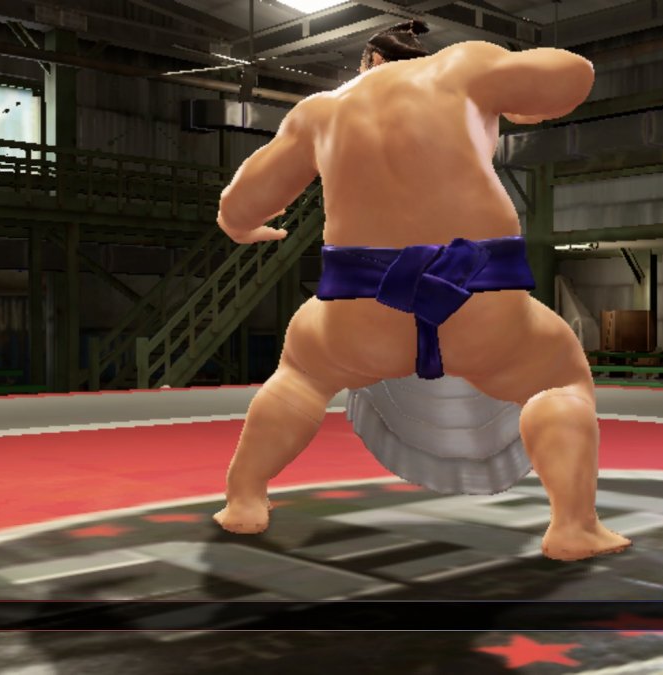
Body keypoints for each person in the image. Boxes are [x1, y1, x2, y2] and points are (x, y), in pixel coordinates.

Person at [215, 20, 630, 560]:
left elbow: (240, 205)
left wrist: (244, 228)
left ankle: (244, 497)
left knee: (301, 376)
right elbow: (572, 75)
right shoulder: (462, 65)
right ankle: (574, 526)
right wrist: (518, 102)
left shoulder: (319, 112)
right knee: (559, 377)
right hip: (477, 293)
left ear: (369, 61)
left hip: (363, 303)